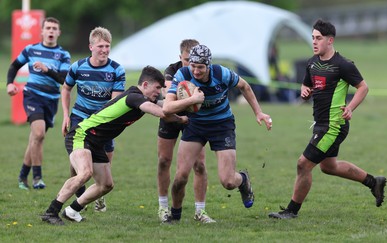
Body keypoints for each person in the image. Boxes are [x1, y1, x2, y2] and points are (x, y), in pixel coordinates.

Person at [268, 19, 386, 219]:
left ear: (330, 40)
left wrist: (350, 108)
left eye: (319, 38)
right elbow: (307, 86)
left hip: (333, 126)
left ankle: (291, 211)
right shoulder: (312, 62)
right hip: (320, 124)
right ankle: (374, 182)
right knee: (328, 167)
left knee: (303, 164)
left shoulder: (343, 65)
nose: (314, 42)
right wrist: (304, 91)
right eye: (313, 38)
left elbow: (363, 88)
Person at [41, 65, 187, 225]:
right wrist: (183, 116)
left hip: (96, 143)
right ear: (145, 85)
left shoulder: (143, 98)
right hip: (82, 135)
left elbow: (165, 104)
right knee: (85, 173)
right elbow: (162, 112)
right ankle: (51, 212)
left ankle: (72, 211)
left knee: (106, 184)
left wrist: (186, 103)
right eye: (157, 88)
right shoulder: (134, 97)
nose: (158, 92)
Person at [163, 44, 273, 222]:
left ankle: (243, 180)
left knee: (228, 181)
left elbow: (244, 86)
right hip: (196, 125)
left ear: (208, 66)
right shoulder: (183, 75)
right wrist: (192, 100)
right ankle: (175, 216)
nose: (196, 71)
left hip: (222, 125)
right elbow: (167, 108)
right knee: (181, 177)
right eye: (193, 66)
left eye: (200, 67)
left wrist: (258, 112)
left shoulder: (221, 73)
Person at [61, 26, 125, 212]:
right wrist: (66, 115)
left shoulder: (116, 70)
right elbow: (66, 89)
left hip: (104, 122)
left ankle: (98, 193)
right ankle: (80, 196)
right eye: (100, 46)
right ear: (91, 47)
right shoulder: (78, 67)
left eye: (107, 46)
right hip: (79, 118)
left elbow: (115, 102)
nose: (104, 50)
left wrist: (103, 121)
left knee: (105, 162)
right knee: (77, 163)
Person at [6, 17, 71, 190]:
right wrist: (10, 84)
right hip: (33, 96)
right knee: (39, 133)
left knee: (36, 137)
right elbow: (14, 66)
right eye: (48, 28)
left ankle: (22, 176)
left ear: (59, 33)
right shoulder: (31, 49)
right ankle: (37, 178)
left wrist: (47, 69)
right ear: (42, 31)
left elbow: (63, 79)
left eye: (54, 28)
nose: (50, 31)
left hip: (51, 100)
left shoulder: (63, 55)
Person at [157, 39, 214, 223]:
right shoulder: (172, 71)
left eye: (195, 61)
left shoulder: (202, 72)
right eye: (187, 60)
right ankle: (163, 206)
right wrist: (189, 100)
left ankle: (200, 211)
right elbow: (168, 97)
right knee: (164, 160)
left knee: (200, 165)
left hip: (194, 119)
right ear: (180, 57)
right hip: (171, 117)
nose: (191, 66)